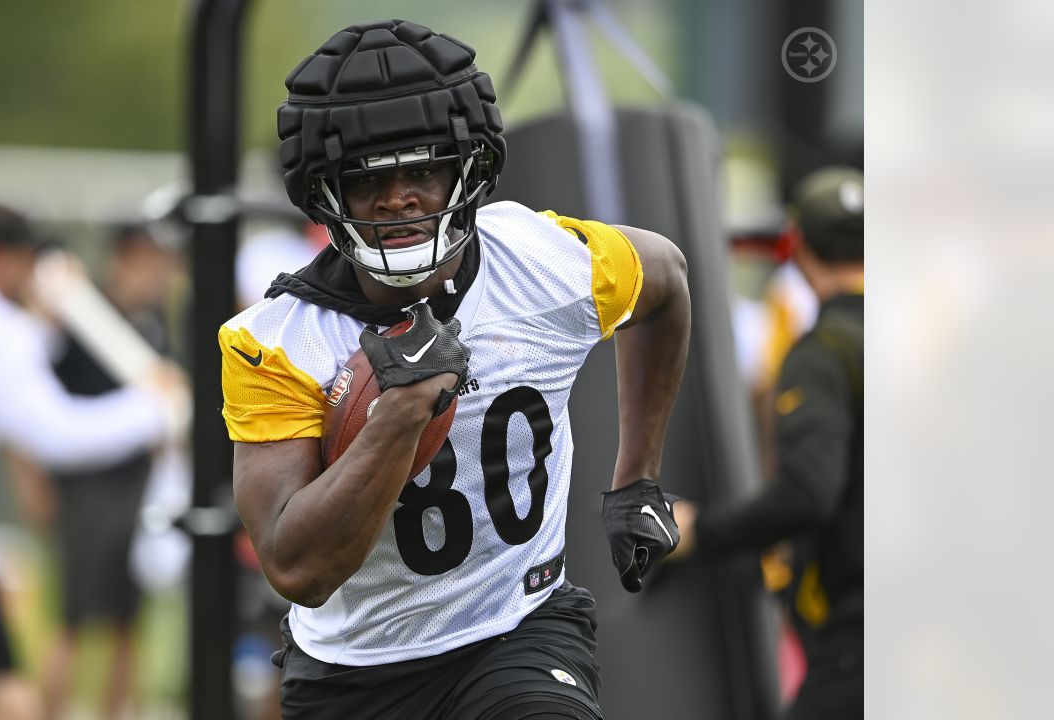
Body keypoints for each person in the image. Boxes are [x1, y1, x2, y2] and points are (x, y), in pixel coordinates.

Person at [219, 20, 690, 719]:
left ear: (469, 168)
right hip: (356, 670)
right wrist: (401, 416)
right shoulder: (276, 343)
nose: (399, 197)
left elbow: (669, 280)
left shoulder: (544, 263)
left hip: (519, 632)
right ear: (325, 191)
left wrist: (637, 478)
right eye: (368, 178)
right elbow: (298, 569)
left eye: (424, 169)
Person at [0, 205, 186, 720]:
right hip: (67, 500)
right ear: (1, 260)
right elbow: (50, 430)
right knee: (13, 683)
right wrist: (156, 408)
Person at [671, 167, 864, 720]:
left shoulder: (827, 350)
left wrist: (700, 532)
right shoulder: (924, 342)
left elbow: (807, 489)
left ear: (798, 247)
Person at [38, 224, 176, 720]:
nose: (159, 270)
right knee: (73, 620)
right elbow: (40, 412)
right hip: (86, 488)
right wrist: (35, 483)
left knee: (127, 620)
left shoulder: (155, 319)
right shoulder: (79, 317)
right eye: (149, 258)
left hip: (138, 486)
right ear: (123, 256)